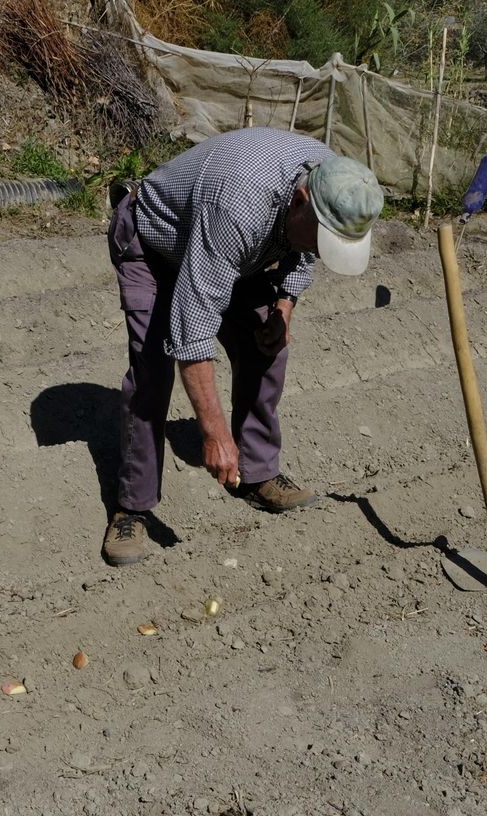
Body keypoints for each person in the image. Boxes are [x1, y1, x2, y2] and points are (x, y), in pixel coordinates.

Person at [101, 127, 384, 567]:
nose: (322, 249)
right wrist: (213, 434)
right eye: (321, 236)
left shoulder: (332, 179)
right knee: (153, 372)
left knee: (266, 344)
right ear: (300, 202)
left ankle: (257, 474)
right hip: (155, 243)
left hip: (233, 253)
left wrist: (285, 304)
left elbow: (304, 250)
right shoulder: (237, 207)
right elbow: (193, 335)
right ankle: (131, 506)